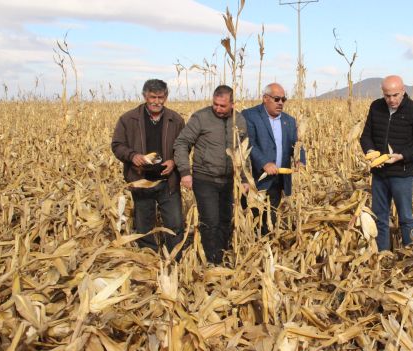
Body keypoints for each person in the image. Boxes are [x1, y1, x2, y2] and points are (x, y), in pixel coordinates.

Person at [111, 79, 186, 259]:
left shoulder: (175, 119)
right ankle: (149, 259)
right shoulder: (128, 119)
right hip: (141, 181)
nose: (157, 101)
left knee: (175, 222)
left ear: (166, 97)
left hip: (168, 181)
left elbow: (183, 146)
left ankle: (175, 259)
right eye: (153, 97)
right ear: (145, 96)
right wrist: (132, 156)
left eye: (161, 97)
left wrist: (174, 161)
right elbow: (117, 145)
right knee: (144, 224)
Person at [174, 85, 247, 264]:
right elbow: (182, 143)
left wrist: (244, 178)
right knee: (210, 221)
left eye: (223, 106)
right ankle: (211, 260)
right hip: (204, 178)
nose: (218, 109)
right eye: (215, 104)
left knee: (225, 219)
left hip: (229, 180)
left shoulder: (239, 120)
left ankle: (222, 256)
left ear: (232, 104)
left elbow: (244, 152)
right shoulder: (201, 117)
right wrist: (185, 172)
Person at [359, 75, 413, 252]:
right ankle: (383, 255)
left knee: (406, 218)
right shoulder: (376, 107)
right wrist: (370, 152)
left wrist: (401, 156)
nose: (391, 100)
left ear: (403, 91)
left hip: (402, 174)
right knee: (380, 218)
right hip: (379, 174)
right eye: (387, 96)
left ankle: (412, 256)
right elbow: (366, 136)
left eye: (395, 95)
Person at [242, 83, 306, 235]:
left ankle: (269, 246)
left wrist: (300, 160)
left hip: (279, 179)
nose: (280, 103)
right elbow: (248, 143)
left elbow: (297, 144)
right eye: (277, 99)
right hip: (256, 179)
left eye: (284, 99)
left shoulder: (289, 121)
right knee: (255, 218)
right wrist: (264, 163)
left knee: (271, 219)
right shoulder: (249, 115)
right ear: (265, 98)